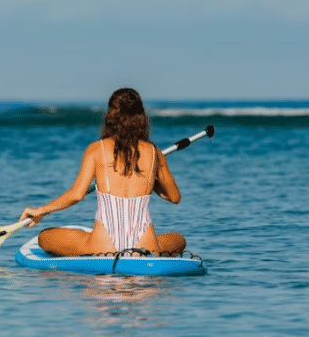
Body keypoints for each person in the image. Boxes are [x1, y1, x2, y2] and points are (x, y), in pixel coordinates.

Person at [19, 88, 186, 256]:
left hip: (103, 245)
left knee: (44, 237)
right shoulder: (154, 152)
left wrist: (41, 210)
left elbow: (76, 195)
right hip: (144, 245)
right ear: (141, 115)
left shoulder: (96, 150)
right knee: (180, 240)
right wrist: (149, 177)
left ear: (110, 114)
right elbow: (174, 197)